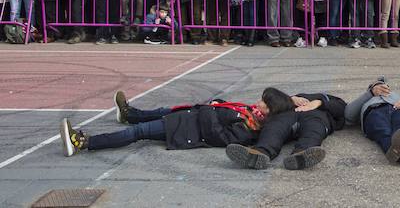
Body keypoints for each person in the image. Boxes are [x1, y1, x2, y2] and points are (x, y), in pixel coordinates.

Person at [60, 88, 294, 156]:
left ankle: (84, 142)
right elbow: (225, 111)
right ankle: (128, 114)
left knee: (139, 133)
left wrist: (209, 110)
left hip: (185, 129)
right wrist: (216, 104)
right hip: (187, 118)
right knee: (152, 119)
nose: (258, 103)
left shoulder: (249, 130)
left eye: (264, 103)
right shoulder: (249, 113)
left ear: (269, 112)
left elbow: (218, 137)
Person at [225, 89, 347, 170]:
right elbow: (275, 106)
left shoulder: (323, 99)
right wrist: (292, 99)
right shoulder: (288, 102)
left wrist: (318, 103)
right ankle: (260, 152)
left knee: (314, 130)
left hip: (316, 115)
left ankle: (302, 153)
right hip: (289, 116)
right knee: (275, 127)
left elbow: (343, 108)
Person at [344, 77, 400, 167]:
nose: (382, 88)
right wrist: (371, 93)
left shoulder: (395, 95)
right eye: (377, 85)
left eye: (384, 86)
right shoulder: (367, 98)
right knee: (383, 130)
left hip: (399, 110)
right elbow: (348, 114)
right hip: (375, 111)